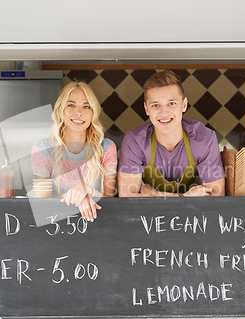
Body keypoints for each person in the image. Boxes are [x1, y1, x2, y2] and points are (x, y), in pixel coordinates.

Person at [118, 70, 225, 197]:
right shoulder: (134, 141)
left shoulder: (204, 140)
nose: (164, 113)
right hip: (149, 216)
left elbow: (216, 198)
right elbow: (127, 198)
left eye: (171, 103)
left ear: (184, 105)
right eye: (155, 105)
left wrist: (155, 194)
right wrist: (183, 197)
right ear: (147, 109)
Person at [31, 81, 117, 221]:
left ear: (93, 113)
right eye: (71, 105)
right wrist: (79, 195)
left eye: (86, 106)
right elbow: (42, 202)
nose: (78, 112)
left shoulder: (106, 148)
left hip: (97, 226)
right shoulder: (43, 150)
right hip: (54, 228)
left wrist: (86, 190)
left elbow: (110, 198)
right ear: (60, 109)